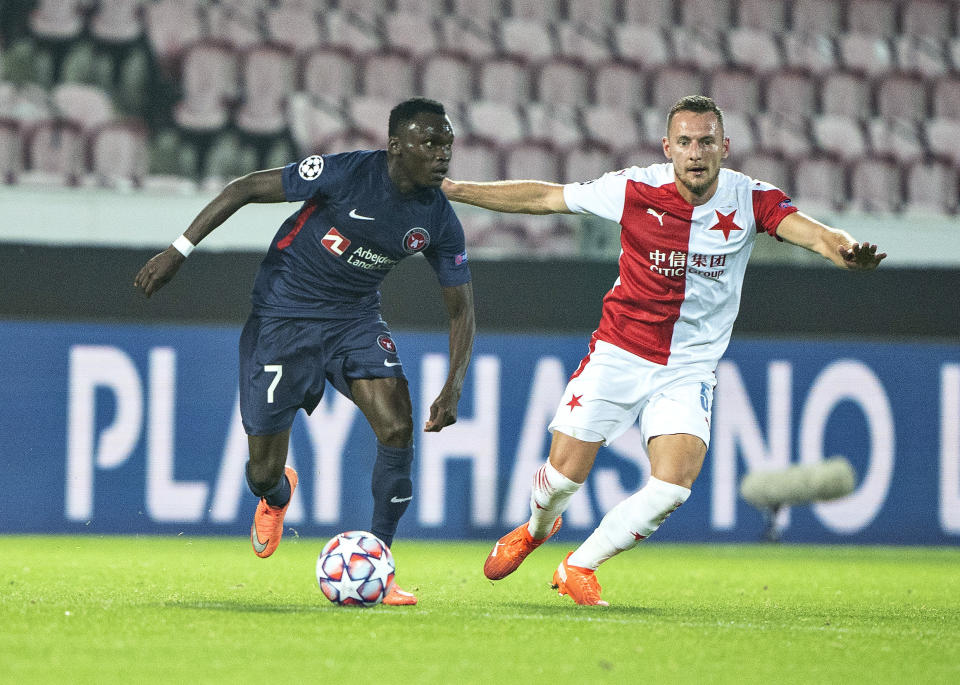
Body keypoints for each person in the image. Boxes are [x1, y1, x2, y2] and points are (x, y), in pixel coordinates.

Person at [442, 94, 885, 606]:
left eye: (706, 142)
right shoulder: (633, 188)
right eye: (685, 142)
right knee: (561, 479)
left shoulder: (751, 200)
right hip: (620, 351)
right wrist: (456, 190)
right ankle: (536, 529)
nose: (696, 152)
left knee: (673, 485)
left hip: (689, 366)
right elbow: (545, 197)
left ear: (725, 147)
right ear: (667, 148)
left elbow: (819, 235)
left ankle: (579, 565)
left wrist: (847, 252)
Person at [135, 97, 476, 606]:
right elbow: (245, 187)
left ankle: (379, 563)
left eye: (447, 143)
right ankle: (278, 495)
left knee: (398, 426)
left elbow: (461, 310)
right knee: (260, 474)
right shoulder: (345, 174)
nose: (442, 154)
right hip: (283, 316)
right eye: (430, 143)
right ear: (396, 147)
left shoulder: (439, 220)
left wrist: (453, 388)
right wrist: (178, 251)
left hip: (355, 320)